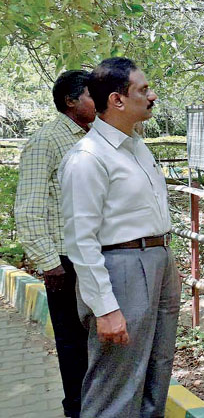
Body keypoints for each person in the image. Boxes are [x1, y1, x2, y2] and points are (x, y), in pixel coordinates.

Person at [59, 58, 180, 418]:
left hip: (158, 260)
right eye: (143, 90)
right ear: (117, 100)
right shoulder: (88, 158)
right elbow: (81, 240)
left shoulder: (136, 147)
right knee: (116, 383)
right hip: (123, 268)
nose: (152, 95)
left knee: (156, 372)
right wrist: (106, 308)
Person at [15, 70, 94, 418]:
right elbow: (28, 207)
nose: (102, 100)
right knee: (73, 343)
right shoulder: (47, 141)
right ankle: (76, 409)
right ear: (71, 101)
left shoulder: (96, 137)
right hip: (65, 260)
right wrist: (49, 263)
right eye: (93, 94)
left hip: (95, 254)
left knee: (98, 339)